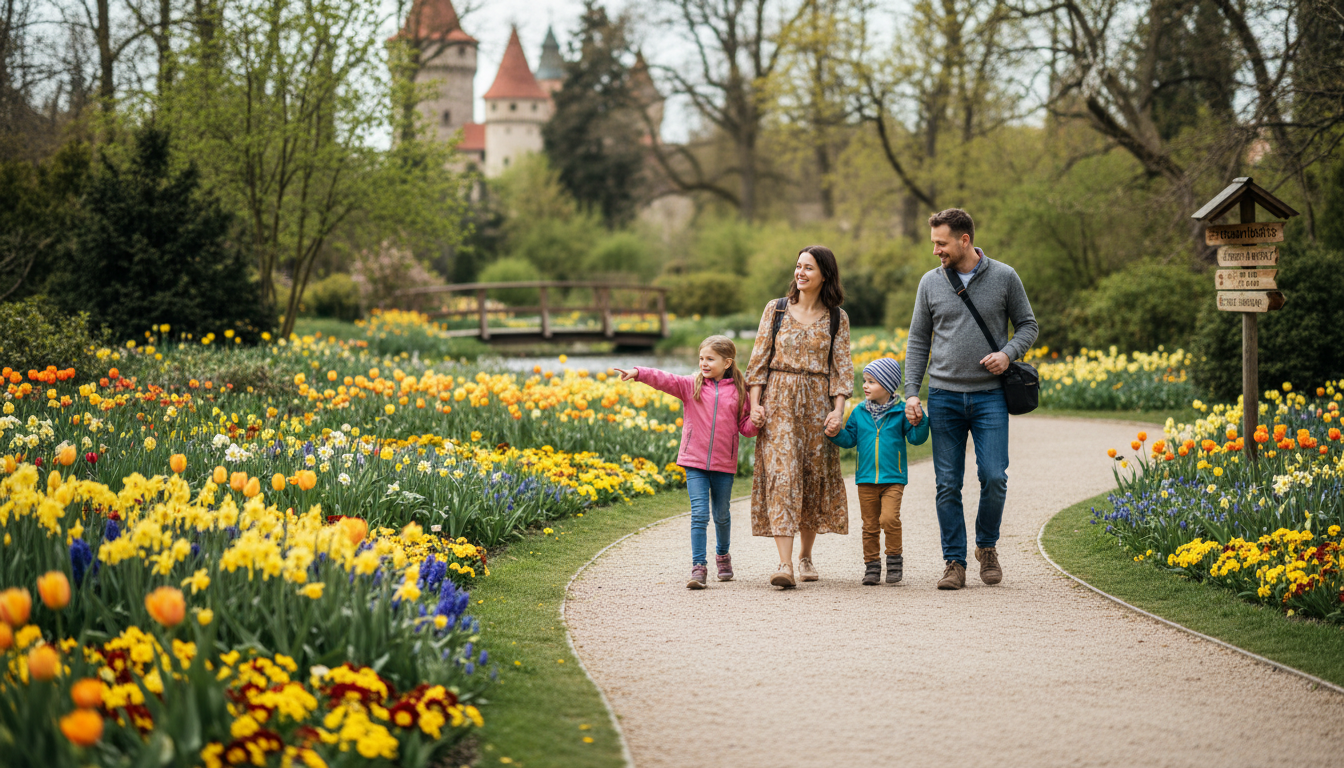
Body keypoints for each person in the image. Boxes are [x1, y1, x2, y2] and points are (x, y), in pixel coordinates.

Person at [903, 208, 1038, 590]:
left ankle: (987, 547)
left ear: (965, 240)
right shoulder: (930, 283)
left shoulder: (1004, 277)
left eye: (941, 243)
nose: (935, 251)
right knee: (947, 483)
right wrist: (912, 392)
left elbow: (1029, 324)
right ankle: (954, 561)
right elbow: (918, 340)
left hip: (989, 397)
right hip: (944, 396)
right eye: (934, 243)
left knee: (994, 477)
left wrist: (1008, 354)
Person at [746, 245, 853, 589]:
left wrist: (837, 411)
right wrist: (755, 404)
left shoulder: (838, 317)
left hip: (817, 405)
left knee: (810, 477)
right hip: (779, 401)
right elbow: (757, 362)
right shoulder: (775, 310)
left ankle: (806, 555)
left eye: (808, 268)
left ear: (824, 274)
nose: (800, 273)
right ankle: (784, 563)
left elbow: (842, 370)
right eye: (798, 266)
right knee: (783, 475)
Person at [614, 336, 757, 589]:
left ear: (727, 362)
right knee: (699, 515)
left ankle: (723, 556)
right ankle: (698, 567)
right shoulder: (690, 385)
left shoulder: (740, 390)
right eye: (701, 358)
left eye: (710, 359)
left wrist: (757, 421)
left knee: (722, 515)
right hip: (694, 462)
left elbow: (745, 428)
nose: (704, 363)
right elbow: (664, 379)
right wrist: (638, 372)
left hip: (725, 463)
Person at [828, 357, 929, 585]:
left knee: (890, 518)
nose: (865, 385)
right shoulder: (859, 412)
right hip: (865, 479)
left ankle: (894, 561)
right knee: (870, 525)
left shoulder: (902, 411)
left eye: (871, 381)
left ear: (887, 385)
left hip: (893, 478)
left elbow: (916, 439)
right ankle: (872, 567)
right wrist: (834, 433)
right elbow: (850, 439)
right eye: (865, 380)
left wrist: (921, 422)